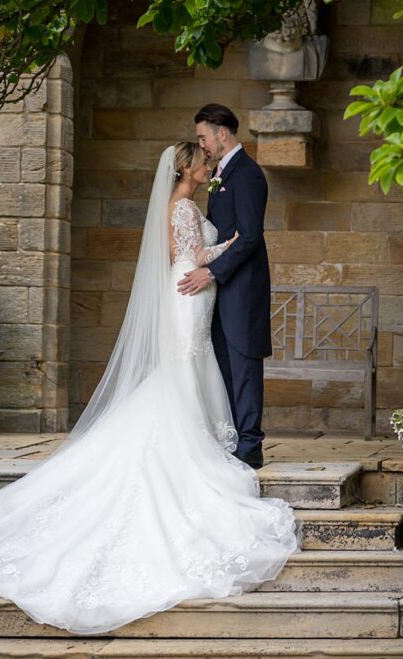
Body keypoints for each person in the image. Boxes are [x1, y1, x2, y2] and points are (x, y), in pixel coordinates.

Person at [0, 142, 302, 635]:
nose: (209, 168)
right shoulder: (187, 206)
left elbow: (179, 255)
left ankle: (185, 435)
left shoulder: (176, 204)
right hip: (192, 293)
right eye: (202, 163)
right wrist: (233, 242)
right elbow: (193, 255)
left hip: (188, 292)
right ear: (187, 168)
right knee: (188, 368)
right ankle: (183, 444)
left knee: (185, 371)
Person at [177, 103, 271, 470]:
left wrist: (211, 272)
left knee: (244, 362)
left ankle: (251, 444)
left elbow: (248, 237)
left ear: (222, 133)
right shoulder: (220, 173)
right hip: (221, 290)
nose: (202, 145)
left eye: (203, 136)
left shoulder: (247, 174)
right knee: (226, 366)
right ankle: (234, 437)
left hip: (242, 288)